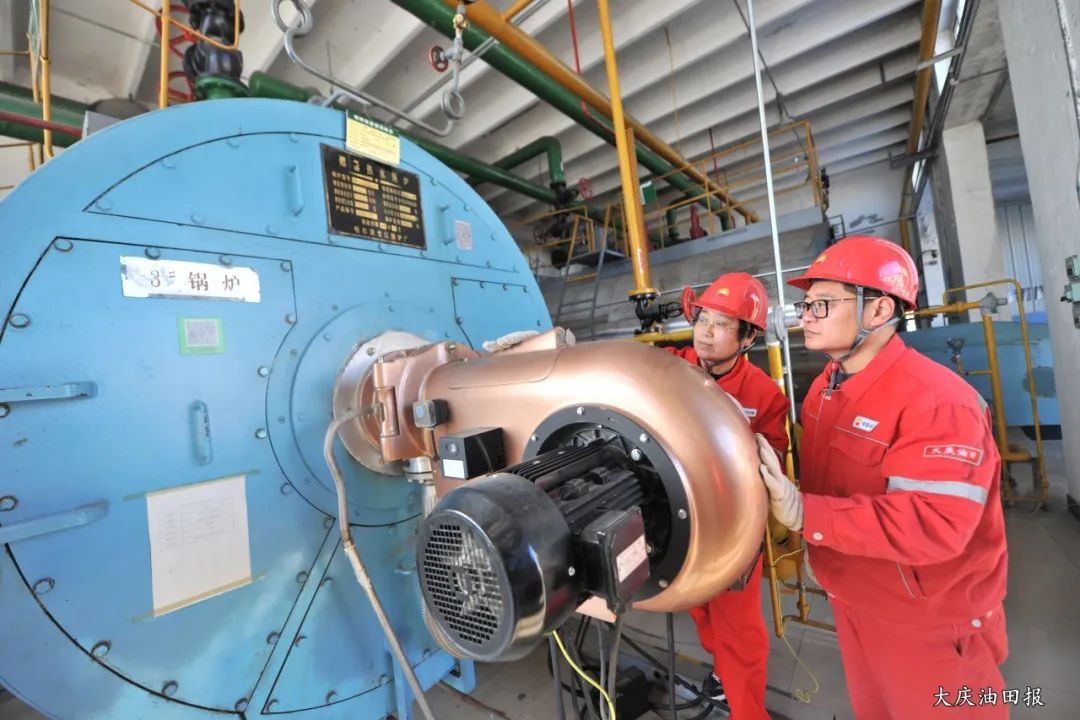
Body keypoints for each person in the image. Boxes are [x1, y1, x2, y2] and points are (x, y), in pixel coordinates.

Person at [756, 235, 1008, 719]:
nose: (805, 317)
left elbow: (935, 524)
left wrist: (807, 513)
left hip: (927, 621)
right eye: (805, 305)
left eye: (822, 304)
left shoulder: (937, 403)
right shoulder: (825, 391)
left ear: (878, 310)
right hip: (854, 599)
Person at [665, 271, 788, 720]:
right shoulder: (669, 367)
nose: (706, 332)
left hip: (733, 527)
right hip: (678, 516)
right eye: (703, 320)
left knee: (738, 627)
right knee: (696, 606)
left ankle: (748, 712)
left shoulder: (764, 395)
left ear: (748, 337)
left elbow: (773, 462)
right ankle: (722, 672)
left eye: (721, 324)